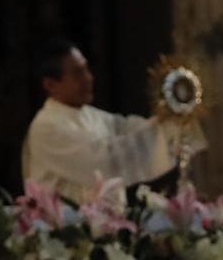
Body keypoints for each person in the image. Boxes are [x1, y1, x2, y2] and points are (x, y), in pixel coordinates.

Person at [20, 39, 204, 201]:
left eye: (87, 70)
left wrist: (176, 118)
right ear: (51, 85)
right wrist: (164, 134)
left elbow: (127, 128)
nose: (89, 78)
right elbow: (104, 162)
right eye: (77, 73)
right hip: (64, 233)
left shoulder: (89, 115)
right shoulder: (46, 126)